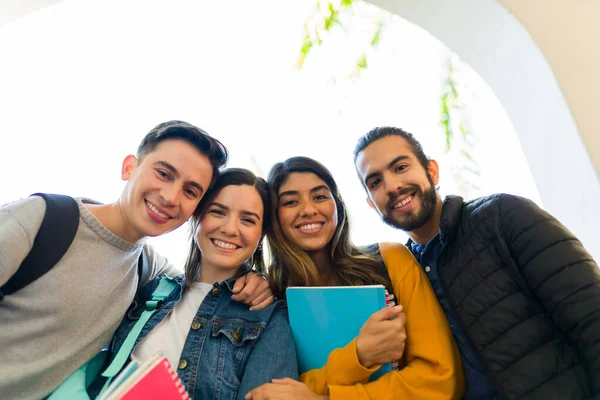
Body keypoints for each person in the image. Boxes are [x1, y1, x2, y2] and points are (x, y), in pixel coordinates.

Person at [0, 121, 273, 400]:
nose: (170, 197)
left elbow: (202, 284)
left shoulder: (147, 268)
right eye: (164, 173)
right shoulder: (39, 221)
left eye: (190, 191)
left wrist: (257, 279)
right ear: (129, 167)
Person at [352, 126, 600, 400]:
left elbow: (591, 315)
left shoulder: (502, 216)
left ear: (432, 171)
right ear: (370, 203)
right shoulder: (399, 277)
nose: (392, 186)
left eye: (400, 167)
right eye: (375, 182)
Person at [247, 156, 464, 400]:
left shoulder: (389, 259)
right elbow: (269, 391)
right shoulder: (269, 293)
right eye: (290, 202)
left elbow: (441, 380)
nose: (308, 210)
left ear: (337, 205)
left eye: (319, 196)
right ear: (274, 218)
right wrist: (359, 356)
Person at [107, 168, 298, 399]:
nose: (230, 229)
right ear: (196, 216)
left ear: (261, 237)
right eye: (218, 212)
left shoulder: (271, 318)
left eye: (247, 220)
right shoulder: (151, 288)